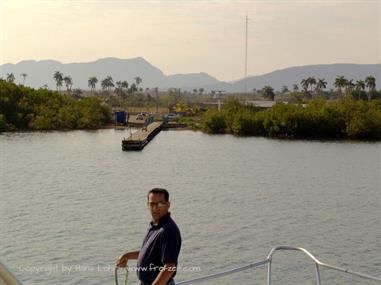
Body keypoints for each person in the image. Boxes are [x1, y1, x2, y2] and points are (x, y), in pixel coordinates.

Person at [116, 188, 181, 285]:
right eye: (152, 204)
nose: (155, 208)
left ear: (168, 205)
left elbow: (169, 267)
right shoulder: (154, 226)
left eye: (160, 203)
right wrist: (126, 256)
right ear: (148, 205)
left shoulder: (168, 230)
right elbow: (150, 253)